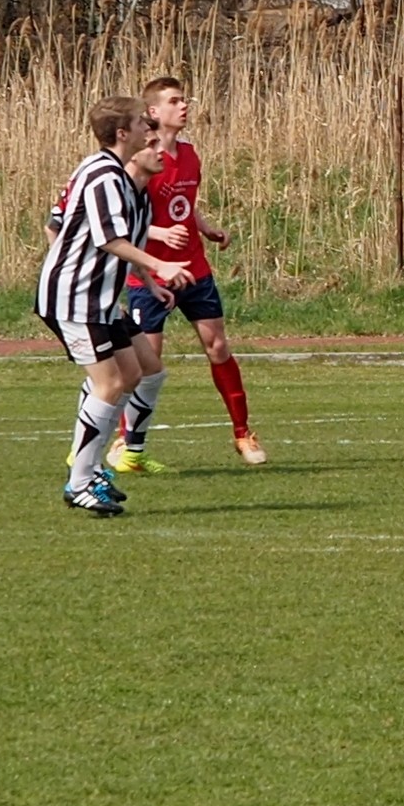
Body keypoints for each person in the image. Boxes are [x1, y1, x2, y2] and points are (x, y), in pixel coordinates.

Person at [38, 96, 189, 517]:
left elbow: (125, 245)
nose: (151, 130)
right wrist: (159, 265)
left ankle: (91, 467)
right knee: (109, 383)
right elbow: (108, 240)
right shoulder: (103, 174)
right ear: (123, 134)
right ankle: (81, 480)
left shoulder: (129, 188)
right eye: (144, 125)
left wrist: (147, 283)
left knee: (138, 371)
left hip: (99, 299)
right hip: (76, 298)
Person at [111, 75, 264, 472]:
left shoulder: (190, 154)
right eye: (175, 101)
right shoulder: (139, 159)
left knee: (218, 347)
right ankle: (124, 442)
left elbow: (183, 203)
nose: (184, 106)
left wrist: (205, 227)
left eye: (185, 100)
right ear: (153, 112)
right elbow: (122, 220)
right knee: (148, 361)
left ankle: (243, 433)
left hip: (194, 268)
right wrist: (159, 234)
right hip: (150, 274)